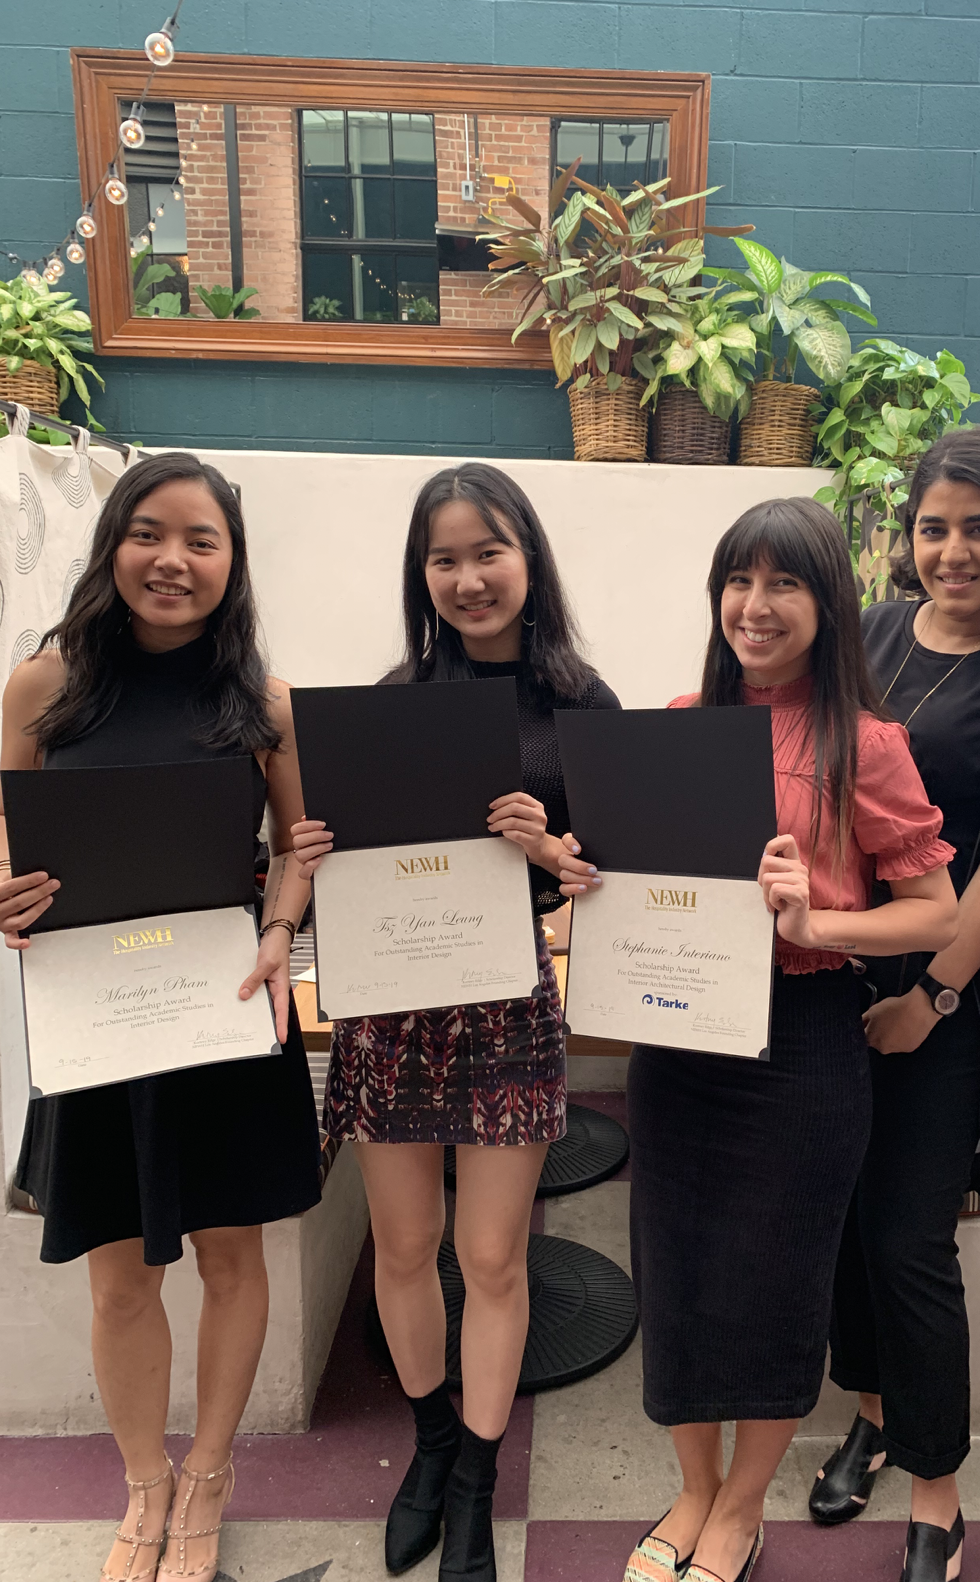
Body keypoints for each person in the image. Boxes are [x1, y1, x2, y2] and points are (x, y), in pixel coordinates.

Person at [558, 498, 958, 1582]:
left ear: (828, 604)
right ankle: (689, 1490)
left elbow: (930, 908)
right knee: (679, 1269)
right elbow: (638, 880)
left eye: (783, 583)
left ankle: (739, 1509)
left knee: (775, 1281)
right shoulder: (680, 718)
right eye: (738, 581)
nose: (755, 605)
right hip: (679, 1036)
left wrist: (813, 918)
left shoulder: (865, 743)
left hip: (806, 1038)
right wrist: (582, 881)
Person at [292, 462, 615, 1581]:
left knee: (489, 1255)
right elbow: (357, 859)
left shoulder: (583, 705)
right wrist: (310, 856)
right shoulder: (388, 701)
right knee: (404, 1245)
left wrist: (552, 854)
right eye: (445, 558)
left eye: (489, 551)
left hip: (507, 1005)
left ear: (528, 558)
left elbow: (613, 877)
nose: (469, 577)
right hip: (392, 1009)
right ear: (419, 574)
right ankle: (428, 1447)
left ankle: (474, 1479)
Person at [2, 452, 321, 1582]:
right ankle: (144, 1485)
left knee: (234, 1258)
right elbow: (12, 837)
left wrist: (282, 930)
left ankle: (213, 1472)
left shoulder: (263, 703)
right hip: (96, 1021)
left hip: (223, 1012)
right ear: (112, 547)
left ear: (232, 565)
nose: (172, 560)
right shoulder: (41, 685)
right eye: (149, 533)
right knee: (115, 1275)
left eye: (201, 540)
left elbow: (297, 849)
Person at [809, 431, 980, 1582]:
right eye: (934, 527)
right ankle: (869, 1413)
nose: (953, 551)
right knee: (840, 1219)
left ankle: (936, 1483)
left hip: (950, 992)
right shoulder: (869, 631)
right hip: (837, 970)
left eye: (975, 529)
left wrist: (930, 993)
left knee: (910, 1237)